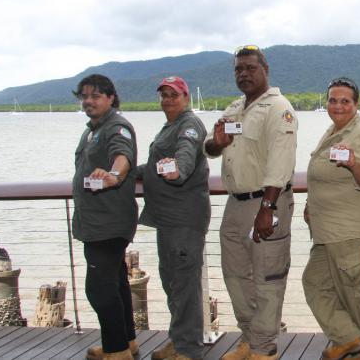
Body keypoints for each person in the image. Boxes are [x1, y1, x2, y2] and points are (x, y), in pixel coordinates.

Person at [203, 45, 298, 360]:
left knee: (267, 279)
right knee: (235, 276)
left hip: (267, 203)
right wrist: (215, 144)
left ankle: (264, 349)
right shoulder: (234, 108)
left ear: (265, 70)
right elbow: (211, 147)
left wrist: (267, 209)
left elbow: (281, 163)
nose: (243, 74)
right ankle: (251, 338)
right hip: (235, 204)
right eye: (238, 69)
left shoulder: (278, 108)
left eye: (249, 68)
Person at [302, 77, 360, 360]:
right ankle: (350, 340)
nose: (338, 106)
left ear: (356, 104)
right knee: (314, 284)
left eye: (344, 101)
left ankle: (353, 346)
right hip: (327, 230)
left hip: (349, 231)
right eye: (333, 100)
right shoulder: (336, 129)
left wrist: (353, 163)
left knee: (352, 299)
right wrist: (311, 204)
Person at [136, 76, 210, 360]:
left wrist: (178, 170)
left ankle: (188, 349)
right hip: (167, 219)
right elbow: (157, 164)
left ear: (186, 97)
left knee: (184, 284)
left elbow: (185, 156)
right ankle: (179, 340)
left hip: (184, 220)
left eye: (174, 95)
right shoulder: (171, 126)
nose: (168, 99)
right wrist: (124, 173)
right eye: (164, 95)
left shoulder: (189, 126)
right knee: (172, 282)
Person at [71, 74, 138, 360]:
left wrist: (112, 175)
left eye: (95, 96)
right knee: (117, 283)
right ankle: (127, 342)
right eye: (84, 96)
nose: (88, 101)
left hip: (107, 224)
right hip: (95, 221)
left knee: (98, 289)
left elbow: (122, 157)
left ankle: (116, 351)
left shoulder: (117, 127)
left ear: (111, 98)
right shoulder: (91, 130)